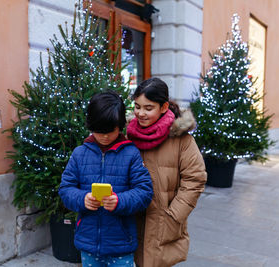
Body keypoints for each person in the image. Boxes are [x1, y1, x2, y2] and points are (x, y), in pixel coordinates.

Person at [59, 91, 153, 267]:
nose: (104, 136)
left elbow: (145, 192)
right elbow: (65, 189)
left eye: (110, 131)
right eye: (98, 131)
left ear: (120, 125)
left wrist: (120, 201)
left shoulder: (131, 154)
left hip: (121, 244)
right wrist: (82, 199)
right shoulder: (80, 154)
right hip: (88, 243)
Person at [126, 77, 207, 267]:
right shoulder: (128, 134)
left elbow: (195, 179)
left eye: (148, 108)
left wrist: (174, 215)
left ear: (163, 107)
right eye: (137, 106)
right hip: (130, 219)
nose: (140, 113)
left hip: (163, 222)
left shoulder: (182, 139)